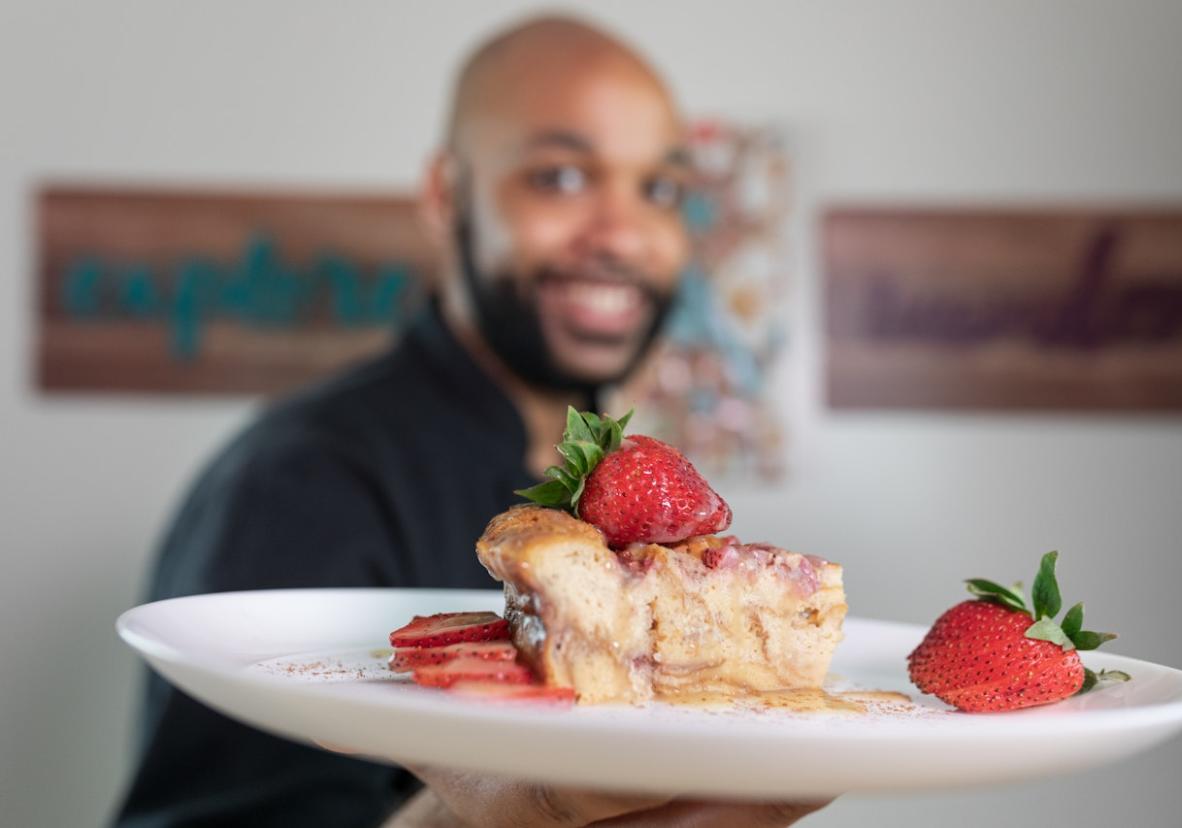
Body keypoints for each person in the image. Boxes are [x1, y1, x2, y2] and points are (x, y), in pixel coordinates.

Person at [115, 15, 829, 828]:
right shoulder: (300, 477)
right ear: (445, 195)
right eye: (560, 177)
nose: (624, 233)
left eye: (660, 188)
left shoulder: (625, 490)